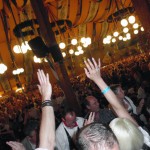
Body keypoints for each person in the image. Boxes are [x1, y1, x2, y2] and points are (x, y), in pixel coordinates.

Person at [83, 58, 150, 150]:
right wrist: (98, 79)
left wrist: (87, 133)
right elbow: (118, 107)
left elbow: (118, 107)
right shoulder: (145, 139)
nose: (98, 104)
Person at [7, 69, 55, 150]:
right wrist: (46, 97)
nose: (39, 136)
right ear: (29, 138)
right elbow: (48, 143)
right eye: (35, 135)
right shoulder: (25, 144)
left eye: (37, 133)